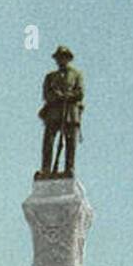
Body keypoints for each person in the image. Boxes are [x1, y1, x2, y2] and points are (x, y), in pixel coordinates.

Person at [36, 45, 84, 179]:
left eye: (63, 57)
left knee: (70, 142)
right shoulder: (50, 77)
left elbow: (80, 93)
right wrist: (57, 96)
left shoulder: (76, 75)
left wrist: (67, 96)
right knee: (48, 141)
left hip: (70, 112)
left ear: (68, 58)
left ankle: (69, 168)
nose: (60, 60)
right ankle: (46, 169)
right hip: (53, 112)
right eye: (58, 58)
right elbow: (47, 94)